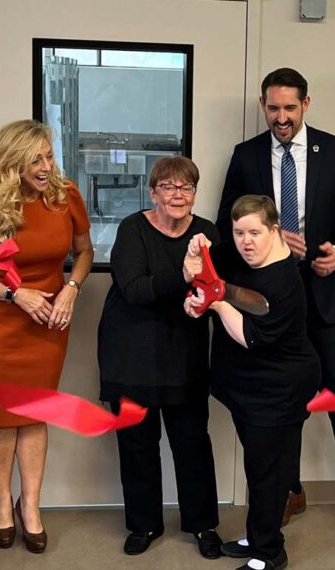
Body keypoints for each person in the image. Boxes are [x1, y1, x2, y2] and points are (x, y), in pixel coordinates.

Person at [216, 67, 335, 542]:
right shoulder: (246, 154)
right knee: (280, 403)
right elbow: (229, 225)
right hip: (269, 300)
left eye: (290, 108)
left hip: (326, 296)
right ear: (263, 105)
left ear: (306, 105)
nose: (281, 117)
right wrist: (262, 248)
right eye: (273, 108)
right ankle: (287, 492)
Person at [0, 119, 93, 553]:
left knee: (34, 416)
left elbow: (84, 251)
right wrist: (16, 294)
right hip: (0, 328)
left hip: (48, 326)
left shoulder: (66, 197)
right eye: (36, 159)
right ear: (12, 162)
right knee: (1, 422)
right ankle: (1, 504)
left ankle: (30, 505)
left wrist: (72, 288)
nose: (47, 166)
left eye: (49, 156)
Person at [96, 156, 223, 558]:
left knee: (192, 444)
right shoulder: (133, 229)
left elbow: (214, 290)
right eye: (168, 187)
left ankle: (203, 525)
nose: (177, 195)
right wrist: (184, 276)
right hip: (131, 353)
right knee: (137, 445)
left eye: (186, 187)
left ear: (195, 193)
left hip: (183, 355)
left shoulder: (207, 233)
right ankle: (144, 524)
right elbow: (134, 289)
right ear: (153, 193)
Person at [185, 195, 320, 570]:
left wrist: (214, 302)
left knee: (269, 473)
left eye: (255, 232)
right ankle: (260, 535)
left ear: (275, 230)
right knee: (259, 468)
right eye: (239, 231)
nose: (246, 241)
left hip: (279, 389)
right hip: (247, 387)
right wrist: (198, 255)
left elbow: (251, 336)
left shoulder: (285, 281)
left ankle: (269, 554)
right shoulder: (240, 257)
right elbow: (207, 272)